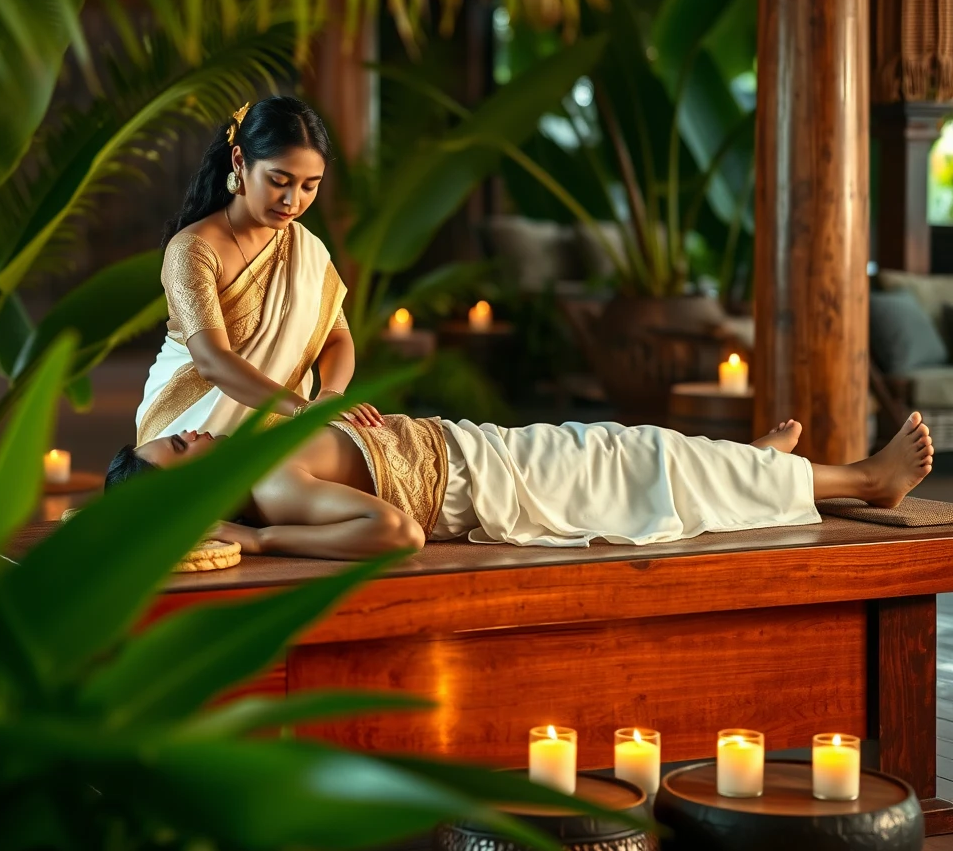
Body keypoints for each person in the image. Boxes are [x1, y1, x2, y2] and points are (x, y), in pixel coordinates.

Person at [106, 411, 934, 563]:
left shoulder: (260, 457)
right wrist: (256, 539)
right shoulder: (272, 492)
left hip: (472, 449)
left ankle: (747, 469)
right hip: (491, 482)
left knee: (641, 450)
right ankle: (867, 480)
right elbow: (395, 535)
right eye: (181, 447)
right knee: (640, 455)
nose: (194, 432)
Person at [135, 96, 382, 447]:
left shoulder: (305, 248)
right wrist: (301, 411)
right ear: (239, 161)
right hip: (188, 428)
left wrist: (330, 394)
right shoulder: (192, 250)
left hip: (280, 425)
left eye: (309, 186)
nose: (292, 201)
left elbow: (337, 337)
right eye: (279, 180)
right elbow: (212, 360)